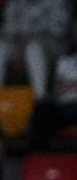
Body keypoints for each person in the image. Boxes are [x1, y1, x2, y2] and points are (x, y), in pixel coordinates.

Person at [29, 20, 77, 149]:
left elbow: (64, 85)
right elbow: (58, 89)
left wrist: (69, 85)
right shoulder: (65, 59)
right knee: (42, 109)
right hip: (65, 106)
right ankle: (41, 158)